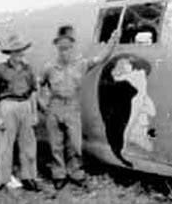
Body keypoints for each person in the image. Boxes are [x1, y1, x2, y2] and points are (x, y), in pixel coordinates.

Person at [39, 25, 119, 190]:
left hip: (72, 108)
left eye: (67, 48)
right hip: (54, 108)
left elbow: (100, 58)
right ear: (57, 48)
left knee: (75, 144)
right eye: (61, 49)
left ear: (72, 47)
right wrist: (43, 104)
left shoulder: (81, 64)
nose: (64, 52)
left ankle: (76, 173)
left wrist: (112, 41)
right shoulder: (49, 67)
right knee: (56, 145)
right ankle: (59, 175)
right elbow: (39, 85)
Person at [0, 34, 40, 192]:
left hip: (25, 105)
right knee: (5, 145)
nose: (19, 55)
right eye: (16, 52)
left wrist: (34, 113)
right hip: (7, 105)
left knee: (29, 145)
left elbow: (33, 92)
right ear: (10, 53)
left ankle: (29, 178)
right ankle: (1, 181)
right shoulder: (0, 69)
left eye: (21, 52)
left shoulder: (28, 69)